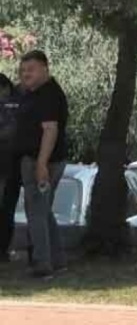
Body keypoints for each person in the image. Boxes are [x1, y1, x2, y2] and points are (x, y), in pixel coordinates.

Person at [16, 50, 68, 278]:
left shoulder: (48, 95)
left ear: (45, 69)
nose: (26, 74)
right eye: (23, 70)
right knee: (43, 211)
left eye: (31, 69)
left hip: (43, 160)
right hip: (35, 158)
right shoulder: (33, 94)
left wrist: (41, 164)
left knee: (36, 211)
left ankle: (42, 264)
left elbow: (50, 130)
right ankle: (57, 260)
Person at [0, 72, 20, 262]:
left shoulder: (11, 106)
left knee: (6, 208)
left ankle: (3, 249)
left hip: (8, 164)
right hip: (12, 164)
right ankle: (3, 250)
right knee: (7, 209)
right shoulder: (17, 103)